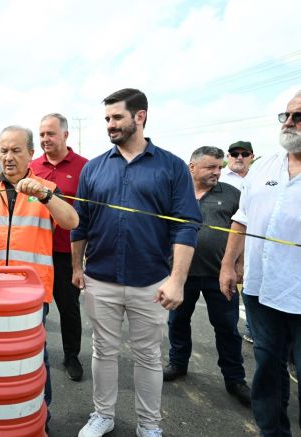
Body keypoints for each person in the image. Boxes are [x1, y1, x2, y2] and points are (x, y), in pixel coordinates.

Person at [71, 88, 201, 437]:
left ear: (139, 116)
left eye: (116, 117)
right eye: (107, 119)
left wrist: (177, 280)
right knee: (103, 351)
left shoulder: (171, 166)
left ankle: (149, 425)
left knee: (147, 356)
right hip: (101, 278)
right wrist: (76, 267)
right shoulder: (94, 168)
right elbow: (80, 223)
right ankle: (103, 415)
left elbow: (187, 224)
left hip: (151, 282)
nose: (110, 125)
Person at [0, 125, 79, 430]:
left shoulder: (44, 187)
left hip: (31, 293)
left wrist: (46, 196)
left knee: (33, 357)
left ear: (31, 154)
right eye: (3, 150)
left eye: (16, 150)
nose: (8, 157)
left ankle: (40, 417)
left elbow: (72, 220)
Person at [219, 91, 301, 437]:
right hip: (261, 290)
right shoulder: (265, 166)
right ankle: (273, 431)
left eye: (298, 116)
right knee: (267, 366)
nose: (289, 123)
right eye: (285, 115)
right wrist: (227, 265)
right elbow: (242, 220)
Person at [163, 146, 250, 406]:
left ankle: (235, 379)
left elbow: (244, 230)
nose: (217, 172)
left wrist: (239, 265)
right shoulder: (175, 193)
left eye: (219, 167)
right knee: (177, 322)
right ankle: (178, 364)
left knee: (226, 328)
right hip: (182, 274)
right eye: (210, 167)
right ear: (192, 167)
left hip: (219, 275)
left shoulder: (233, 194)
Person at [30, 113, 88, 381]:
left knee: (69, 308)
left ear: (66, 135)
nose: (45, 139)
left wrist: (81, 260)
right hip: (34, 253)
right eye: (42, 134)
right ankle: (31, 355)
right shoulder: (32, 167)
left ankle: (71, 355)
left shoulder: (84, 167)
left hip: (66, 253)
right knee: (33, 308)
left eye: (50, 134)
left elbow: (88, 215)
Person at [219, 140, 255, 344]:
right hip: (226, 247)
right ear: (228, 156)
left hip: (255, 245)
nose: (239, 157)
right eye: (234, 153)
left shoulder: (260, 177)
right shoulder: (219, 178)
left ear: (251, 156)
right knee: (227, 292)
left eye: (244, 153)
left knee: (253, 287)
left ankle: (252, 330)